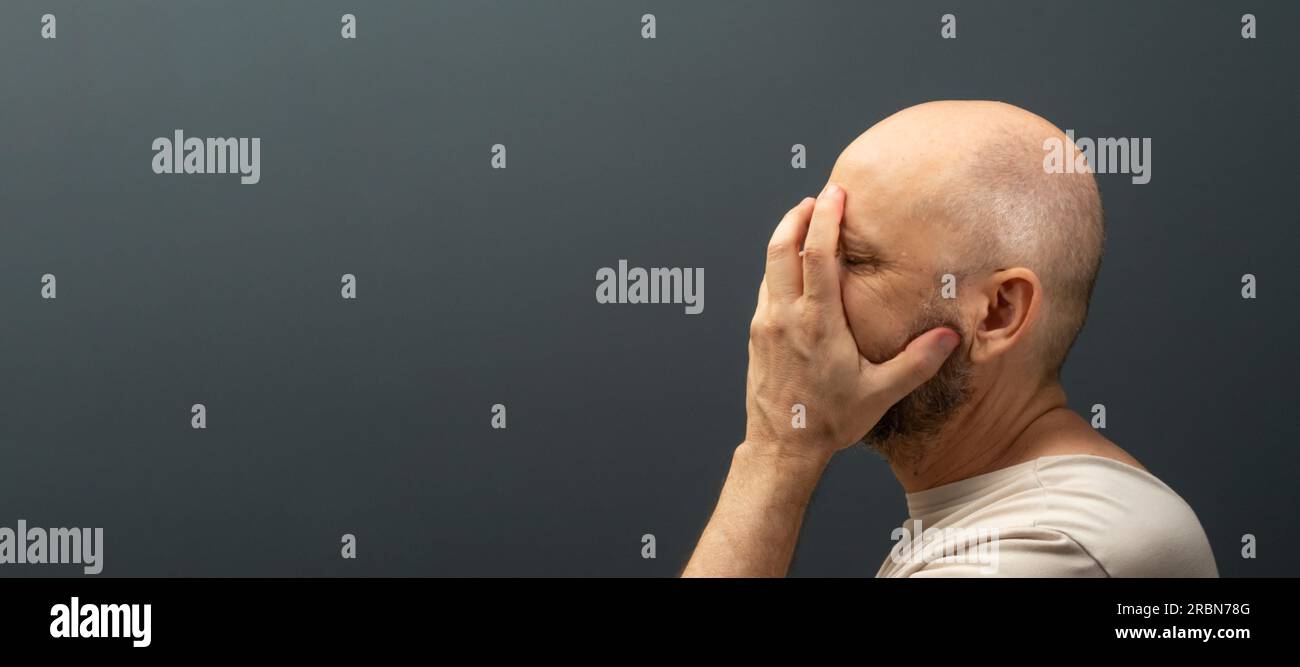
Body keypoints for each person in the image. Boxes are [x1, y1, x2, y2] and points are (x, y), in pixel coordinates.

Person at [682, 100, 1217, 578]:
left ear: (998, 312)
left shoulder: (1053, 548)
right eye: (814, 252)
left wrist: (778, 450)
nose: (798, 304)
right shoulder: (1032, 518)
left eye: (856, 260)